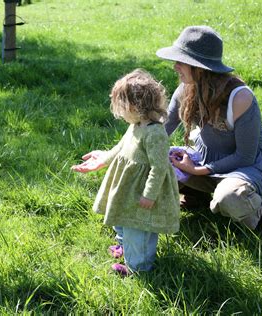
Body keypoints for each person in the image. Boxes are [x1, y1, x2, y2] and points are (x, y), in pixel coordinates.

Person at [156, 25, 262, 242]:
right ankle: (197, 194)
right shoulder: (186, 89)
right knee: (155, 162)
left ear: (199, 67)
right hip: (203, 160)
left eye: (181, 61)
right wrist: (119, 155)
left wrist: (198, 170)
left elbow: (245, 157)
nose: (175, 66)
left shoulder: (239, 98)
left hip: (244, 169)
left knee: (230, 197)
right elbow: (159, 131)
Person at [71, 69, 180, 275]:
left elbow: (159, 167)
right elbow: (121, 148)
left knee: (138, 229)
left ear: (134, 106)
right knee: (122, 220)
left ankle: (139, 268)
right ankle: (125, 247)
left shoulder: (155, 133)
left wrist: (149, 195)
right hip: (128, 189)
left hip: (141, 192)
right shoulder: (137, 124)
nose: (119, 112)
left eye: (120, 106)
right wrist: (102, 160)